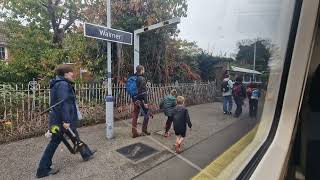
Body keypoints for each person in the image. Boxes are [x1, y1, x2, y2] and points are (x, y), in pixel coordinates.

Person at [36, 64, 95, 178]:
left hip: (58, 118)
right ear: (66, 74)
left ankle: (86, 153)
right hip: (61, 120)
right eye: (71, 72)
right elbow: (64, 103)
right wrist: (66, 120)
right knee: (54, 142)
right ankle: (42, 170)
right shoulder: (63, 85)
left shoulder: (59, 83)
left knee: (75, 136)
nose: (73, 74)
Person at [131, 65, 151, 138]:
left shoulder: (133, 77)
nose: (144, 71)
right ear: (142, 70)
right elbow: (143, 92)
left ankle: (134, 132)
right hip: (141, 100)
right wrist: (145, 102)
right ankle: (144, 130)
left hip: (135, 99)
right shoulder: (142, 78)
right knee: (147, 115)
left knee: (135, 115)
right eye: (143, 69)